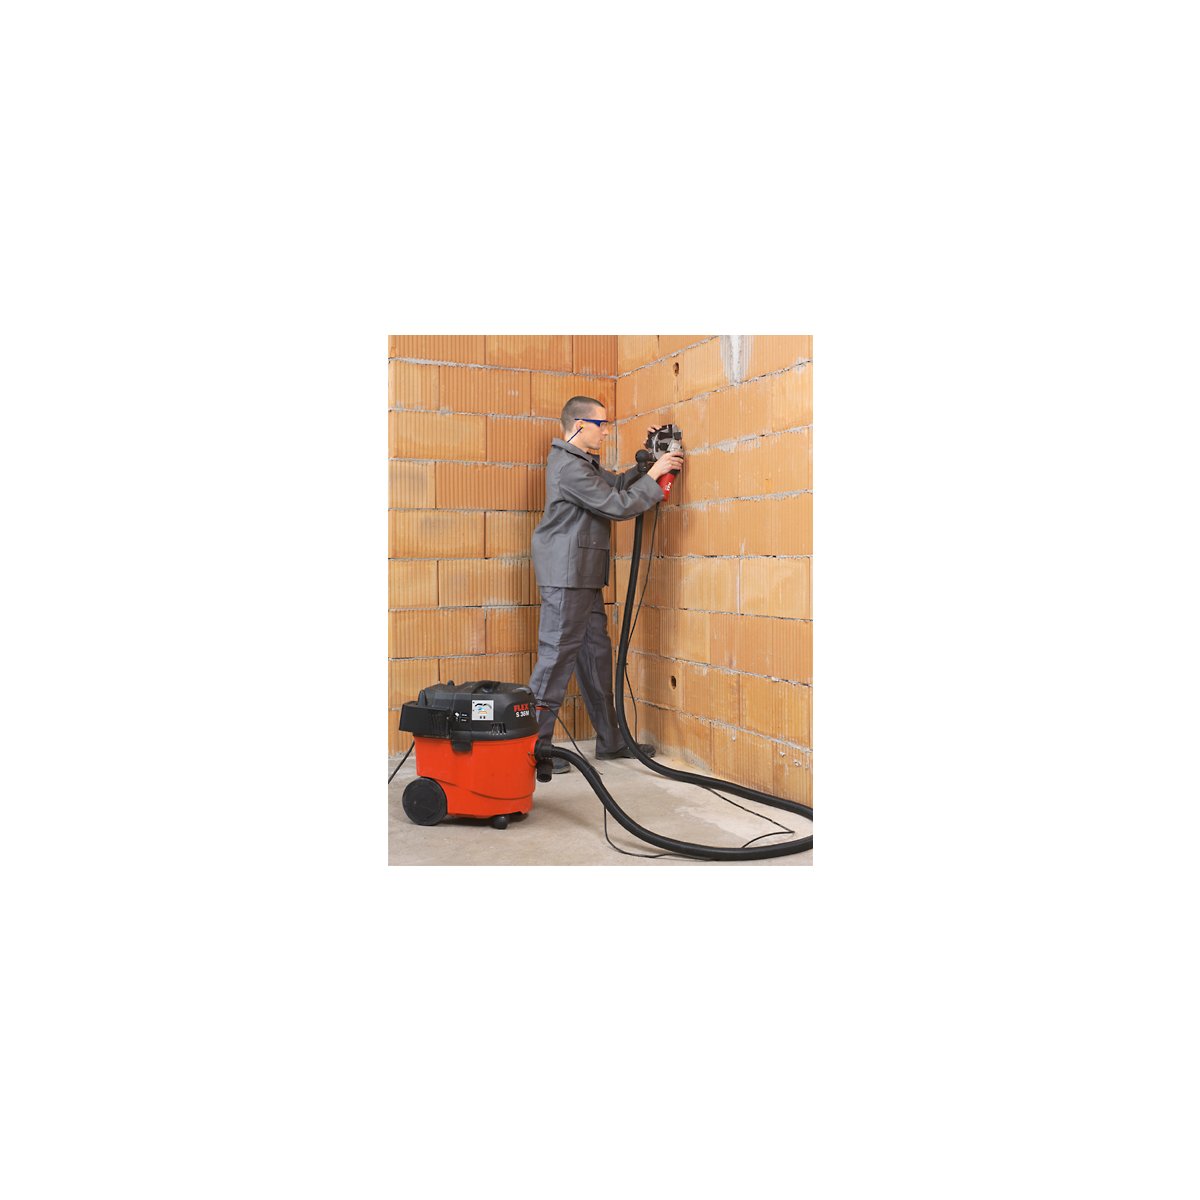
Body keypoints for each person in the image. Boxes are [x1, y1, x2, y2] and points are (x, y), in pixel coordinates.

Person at [528, 396, 685, 773]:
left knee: (596, 657)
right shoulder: (569, 467)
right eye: (601, 424)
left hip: (582, 575)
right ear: (580, 425)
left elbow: (614, 485)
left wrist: (647, 462)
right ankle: (531, 749)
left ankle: (611, 741)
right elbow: (616, 505)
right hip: (567, 578)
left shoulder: (582, 462)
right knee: (555, 659)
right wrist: (654, 474)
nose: (606, 431)